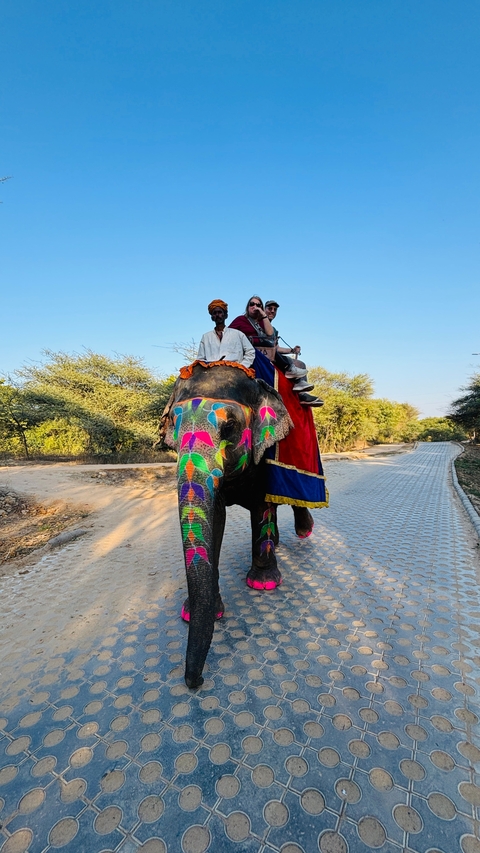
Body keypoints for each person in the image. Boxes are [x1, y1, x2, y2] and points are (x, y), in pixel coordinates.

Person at [229, 296, 306, 381]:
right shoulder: (240, 319)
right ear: (248, 306)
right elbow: (229, 334)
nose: (255, 306)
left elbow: (271, 337)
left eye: (258, 305)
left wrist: (292, 350)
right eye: (252, 304)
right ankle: (288, 369)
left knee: (297, 363)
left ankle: (297, 383)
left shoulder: (264, 323)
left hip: (266, 350)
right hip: (248, 349)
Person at [264, 300, 323, 406]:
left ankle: (302, 394)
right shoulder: (258, 323)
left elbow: (276, 348)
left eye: (275, 309)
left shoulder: (274, 330)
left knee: (300, 364)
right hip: (263, 355)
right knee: (294, 365)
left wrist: (291, 350)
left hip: (274, 354)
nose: (272, 311)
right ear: (264, 310)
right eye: (269, 308)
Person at [197, 299, 255, 368]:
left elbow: (250, 352)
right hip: (212, 374)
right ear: (212, 317)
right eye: (214, 313)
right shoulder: (206, 337)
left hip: (235, 373)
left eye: (220, 312)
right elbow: (200, 360)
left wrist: (242, 367)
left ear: (225, 315)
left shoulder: (238, 334)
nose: (217, 315)